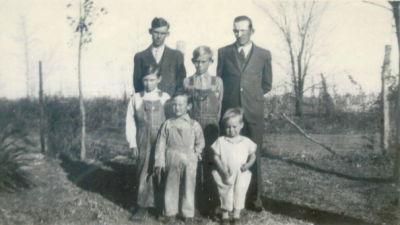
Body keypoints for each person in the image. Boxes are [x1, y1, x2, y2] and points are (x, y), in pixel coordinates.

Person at [217, 15, 273, 212]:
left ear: (252, 31)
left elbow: (267, 84)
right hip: (230, 114)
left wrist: (251, 98)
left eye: (243, 30)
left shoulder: (264, 54)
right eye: (235, 30)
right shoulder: (223, 53)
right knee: (228, 155)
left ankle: (255, 199)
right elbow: (220, 82)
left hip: (253, 113)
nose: (239, 34)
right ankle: (227, 199)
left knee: (253, 154)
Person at [125, 64, 170, 220]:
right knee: (143, 171)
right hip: (142, 139)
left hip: (161, 139)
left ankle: (161, 207)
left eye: (152, 80)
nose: (148, 83)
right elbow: (130, 123)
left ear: (159, 79)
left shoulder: (165, 98)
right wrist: (133, 143)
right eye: (145, 80)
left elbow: (170, 121)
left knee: (160, 170)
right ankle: (142, 206)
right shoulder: (136, 98)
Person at [182, 46, 223, 214]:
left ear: (210, 62)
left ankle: (213, 203)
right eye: (196, 62)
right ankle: (194, 202)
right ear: (192, 62)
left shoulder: (217, 82)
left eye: (203, 62)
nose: (199, 65)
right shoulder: (187, 82)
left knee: (211, 163)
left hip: (212, 128)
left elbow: (220, 105)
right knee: (193, 164)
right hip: (193, 127)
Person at [154, 92, 205, 223]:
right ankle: (170, 212)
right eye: (174, 105)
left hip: (189, 158)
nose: (177, 108)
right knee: (171, 185)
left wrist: (197, 152)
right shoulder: (168, 124)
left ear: (189, 107)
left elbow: (200, 141)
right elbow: (161, 143)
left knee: (189, 186)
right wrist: (159, 161)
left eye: (181, 105)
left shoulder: (194, 125)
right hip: (172, 156)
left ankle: (188, 213)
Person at [211, 108, 256, 224]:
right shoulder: (221, 141)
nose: (231, 130)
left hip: (241, 173)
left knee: (239, 192)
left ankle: (236, 216)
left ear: (241, 125)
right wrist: (222, 170)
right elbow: (215, 157)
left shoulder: (246, 141)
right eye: (228, 127)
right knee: (225, 193)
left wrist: (248, 165)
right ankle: (225, 216)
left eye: (234, 127)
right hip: (225, 173)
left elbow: (253, 155)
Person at [133, 17, 186, 96]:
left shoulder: (176, 56)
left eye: (162, 33)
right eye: (156, 32)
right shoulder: (140, 57)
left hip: (170, 104)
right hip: (147, 104)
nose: (159, 36)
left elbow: (181, 84)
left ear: (167, 34)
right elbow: (137, 85)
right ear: (150, 31)